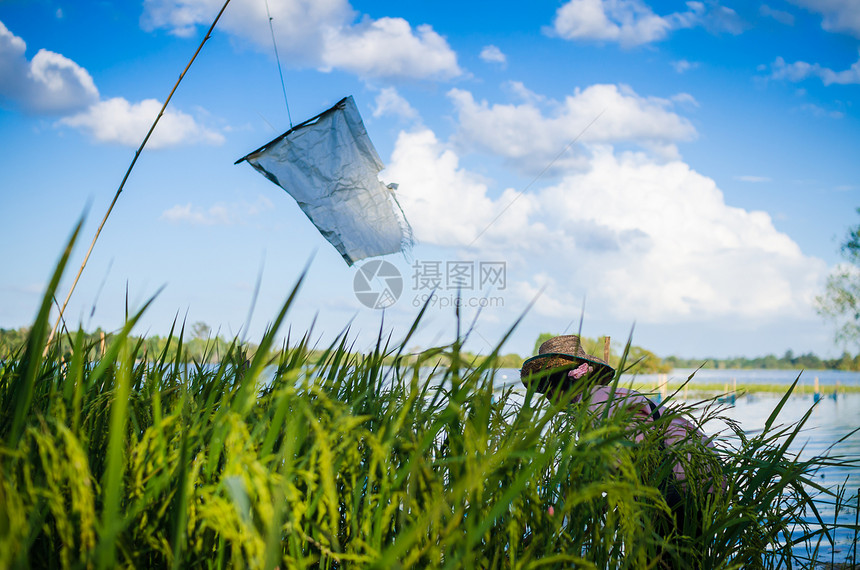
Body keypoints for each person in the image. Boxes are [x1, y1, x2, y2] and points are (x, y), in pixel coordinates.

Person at [520, 335, 722, 565]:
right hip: (700, 484)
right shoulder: (606, 397)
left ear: (564, 383)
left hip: (678, 489)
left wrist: (555, 518)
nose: (549, 400)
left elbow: (592, 474)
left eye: (548, 391)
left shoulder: (594, 406)